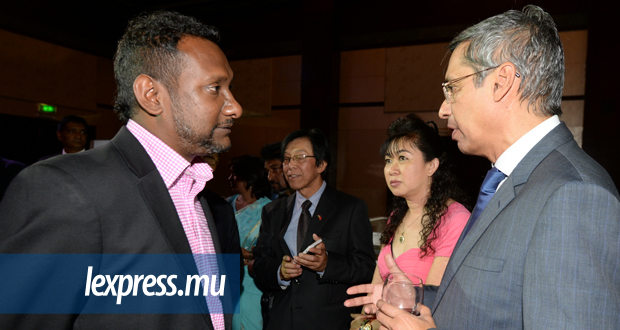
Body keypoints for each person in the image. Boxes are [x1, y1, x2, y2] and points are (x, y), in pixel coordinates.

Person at [346, 5, 620, 330]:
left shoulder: (573, 194)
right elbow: (485, 303)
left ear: (501, 82)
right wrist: (410, 298)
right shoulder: (508, 178)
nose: (443, 108)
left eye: (452, 88)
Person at [0, 10, 243, 330]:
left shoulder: (195, 191)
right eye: (215, 87)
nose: (235, 107)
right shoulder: (64, 189)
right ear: (152, 95)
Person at [351, 114, 470, 330]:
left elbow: (435, 303)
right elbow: (372, 299)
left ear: (432, 166)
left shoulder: (455, 219)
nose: (392, 169)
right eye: (388, 160)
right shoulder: (396, 218)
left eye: (403, 158)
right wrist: (364, 324)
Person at [252, 129, 376, 330]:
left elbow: (366, 267)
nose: (290, 166)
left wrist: (327, 264)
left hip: (328, 322)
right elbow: (259, 264)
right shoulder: (273, 211)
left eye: (300, 157)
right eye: (286, 159)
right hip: (281, 320)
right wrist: (279, 272)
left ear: (321, 164)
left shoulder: (350, 208)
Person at [225, 155, 271, 330]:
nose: (230, 179)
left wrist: (249, 255)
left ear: (249, 177)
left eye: (234, 174)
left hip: (251, 280)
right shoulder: (226, 205)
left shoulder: (268, 209)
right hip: (227, 276)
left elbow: (272, 250)